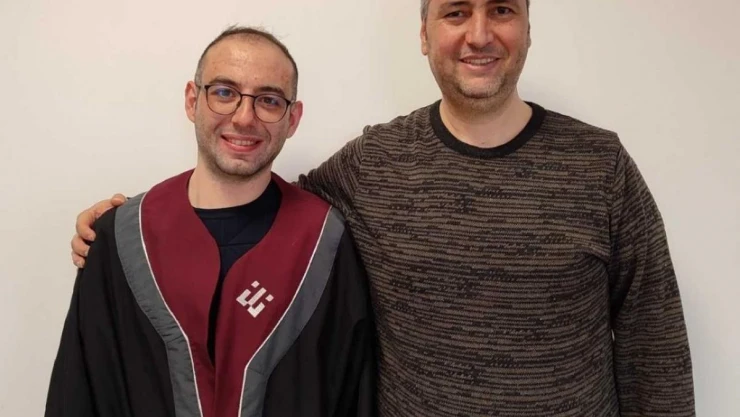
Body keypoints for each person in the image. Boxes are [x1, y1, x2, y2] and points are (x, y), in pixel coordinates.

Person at [69, 1, 696, 416]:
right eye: (456, 11)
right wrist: (130, 228)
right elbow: (253, 196)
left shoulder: (600, 164)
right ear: (424, 35)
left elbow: (655, 342)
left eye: (502, 9)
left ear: (528, 28)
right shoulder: (371, 165)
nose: (480, 34)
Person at [47, 26, 376, 417]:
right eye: (224, 92)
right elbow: (78, 394)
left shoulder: (325, 243)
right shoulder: (121, 241)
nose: (244, 117)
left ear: (292, 119)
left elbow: (353, 394)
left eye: (269, 100)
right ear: (192, 100)